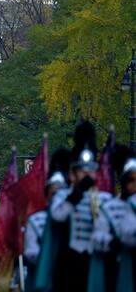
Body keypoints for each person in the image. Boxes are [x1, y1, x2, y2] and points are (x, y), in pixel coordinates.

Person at [48, 122, 112, 291]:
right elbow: (58, 216)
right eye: (82, 170)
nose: (86, 174)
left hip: (95, 260)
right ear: (73, 173)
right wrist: (76, 195)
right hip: (69, 261)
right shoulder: (63, 196)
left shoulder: (104, 199)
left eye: (90, 170)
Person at [91, 144, 136, 291]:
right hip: (117, 269)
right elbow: (97, 239)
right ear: (123, 181)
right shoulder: (109, 208)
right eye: (131, 180)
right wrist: (112, 242)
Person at [23, 148, 68, 290]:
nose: (57, 197)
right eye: (54, 193)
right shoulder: (35, 220)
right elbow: (31, 252)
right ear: (47, 194)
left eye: (61, 192)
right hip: (41, 277)